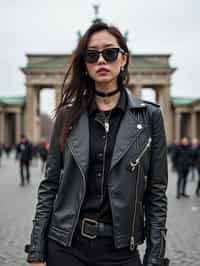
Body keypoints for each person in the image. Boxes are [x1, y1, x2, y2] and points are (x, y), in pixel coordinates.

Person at [25, 22, 169, 266]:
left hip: (121, 250)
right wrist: (36, 252)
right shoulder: (66, 116)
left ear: (124, 58)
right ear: (85, 64)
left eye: (110, 53)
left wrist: (154, 258)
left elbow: (156, 193)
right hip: (66, 246)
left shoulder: (150, 117)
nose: (101, 60)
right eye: (92, 55)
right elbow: (50, 185)